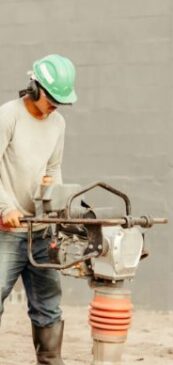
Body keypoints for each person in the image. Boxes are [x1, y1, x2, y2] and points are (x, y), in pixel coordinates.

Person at [0, 54, 77, 365]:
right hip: (6, 229)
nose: (56, 106)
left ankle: (49, 359)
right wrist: (4, 207)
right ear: (34, 89)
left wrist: (54, 197)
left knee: (48, 303)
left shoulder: (58, 123)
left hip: (41, 231)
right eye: (52, 98)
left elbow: (54, 167)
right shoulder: (8, 116)